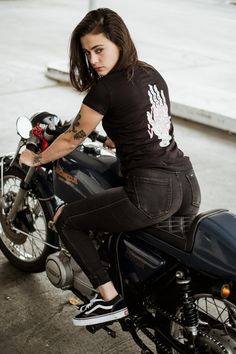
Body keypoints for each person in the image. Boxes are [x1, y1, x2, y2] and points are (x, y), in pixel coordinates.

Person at [19, 8, 201, 327]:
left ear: (119, 41)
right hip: (186, 182)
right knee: (170, 267)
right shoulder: (150, 73)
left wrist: (35, 159)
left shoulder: (105, 89)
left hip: (151, 192)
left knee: (67, 219)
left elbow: (71, 139)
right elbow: (151, 122)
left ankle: (109, 299)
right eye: (87, 53)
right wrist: (117, 138)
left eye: (99, 49)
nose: (93, 60)